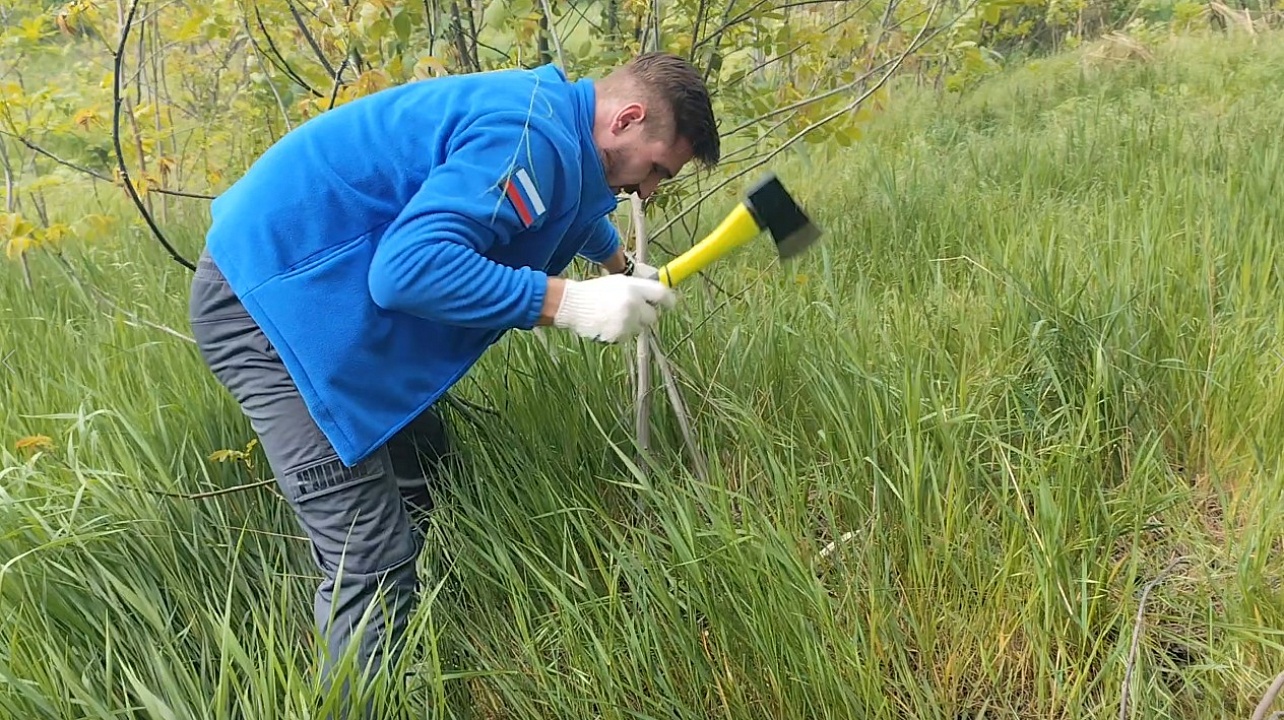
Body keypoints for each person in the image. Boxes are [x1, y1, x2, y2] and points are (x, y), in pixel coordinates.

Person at [186, 51, 721, 698]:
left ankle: (394, 639)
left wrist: (619, 265)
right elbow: (408, 269)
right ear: (628, 119)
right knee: (368, 553)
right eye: (657, 168)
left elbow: (567, 206)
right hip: (266, 307)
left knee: (425, 462)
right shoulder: (528, 136)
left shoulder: (561, 131)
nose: (651, 189)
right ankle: (361, 694)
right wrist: (570, 303)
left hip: (314, 300)